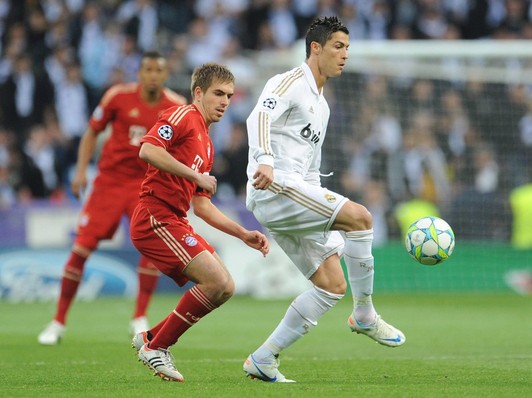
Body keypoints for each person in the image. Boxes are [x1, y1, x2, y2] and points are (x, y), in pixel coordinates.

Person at [242, 16, 405, 384]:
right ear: (315, 48)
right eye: (338, 46)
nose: (345, 55)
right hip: (275, 186)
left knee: (332, 284)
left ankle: (263, 358)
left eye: (347, 48)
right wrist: (264, 159)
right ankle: (364, 315)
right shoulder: (288, 82)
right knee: (361, 218)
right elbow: (259, 117)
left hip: (295, 194)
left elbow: (313, 169)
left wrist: (319, 199)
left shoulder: (323, 106)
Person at [129, 63, 270, 383]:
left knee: (226, 287)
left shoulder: (206, 143)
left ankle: (150, 337)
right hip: (154, 215)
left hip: (174, 219)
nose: (224, 101)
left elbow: (201, 205)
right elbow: (148, 149)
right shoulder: (182, 116)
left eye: (230, 96)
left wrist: (242, 233)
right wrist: (194, 174)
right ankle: (157, 347)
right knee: (217, 281)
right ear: (198, 93)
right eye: (218, 93)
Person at [38, 51, 187, 345]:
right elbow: (91, 133)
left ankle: (139, 316)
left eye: (159, 70)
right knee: (82, 248)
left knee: (150, 247)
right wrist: (81, 171)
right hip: (109, 183)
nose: (153, 75)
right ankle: (58, 321)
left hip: (146, 186)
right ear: (140, 73)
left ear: (166, 74)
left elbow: (182, 148)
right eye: (148, 69)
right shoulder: (117, 97)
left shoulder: (176, 106)